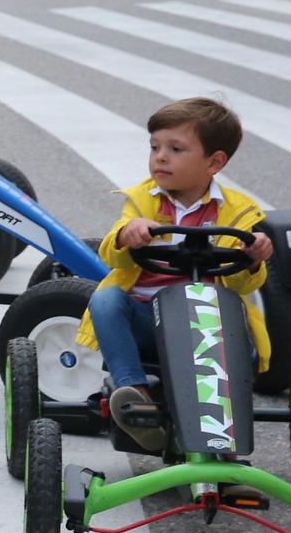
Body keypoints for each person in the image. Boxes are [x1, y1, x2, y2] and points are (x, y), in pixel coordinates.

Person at [77, 98, 272, 450]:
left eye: (175, 149)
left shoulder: (238, 212)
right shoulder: (144, 201)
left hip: (207, 324)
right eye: (155, 147)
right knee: (105, 299)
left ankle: (221, 448)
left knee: (233, 322)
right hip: (146, 318)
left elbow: (245, 283)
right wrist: (127, 233)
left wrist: (254, 257)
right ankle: (135, 395)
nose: (160, 157)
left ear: (214, 162)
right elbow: (113, 258)